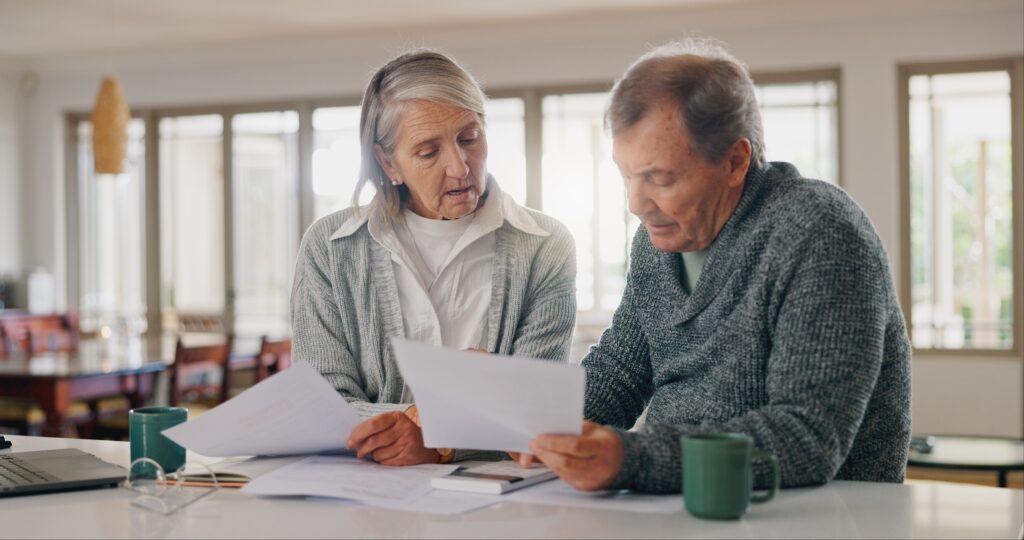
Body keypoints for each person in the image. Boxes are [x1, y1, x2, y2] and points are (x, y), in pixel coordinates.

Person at [526, 38, 912, 493]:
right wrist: (533, 424)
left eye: (659, 178)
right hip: (683, 507)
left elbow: (806, 438)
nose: (636, 204)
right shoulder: (657, 243)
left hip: (813, 515)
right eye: (626, 175)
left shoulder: (819, 230)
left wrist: (633, 458)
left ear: (735, 161)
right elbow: (621, 374)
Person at [291, 50, 576, 466]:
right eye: (428, 152)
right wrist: (419, 422)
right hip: (366, 498)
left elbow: (535, 413)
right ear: (388, 162)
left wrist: (439, 441)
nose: (460, 168)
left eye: (469, 138)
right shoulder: (329, 247)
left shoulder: (546, 245)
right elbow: (322, 404)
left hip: (500, 499)